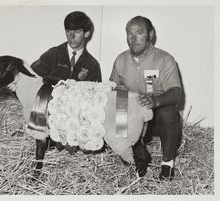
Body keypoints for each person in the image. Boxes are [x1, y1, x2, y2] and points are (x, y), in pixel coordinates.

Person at [109, 15, 182, 181]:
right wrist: (114, 92)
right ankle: (135, 153)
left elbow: (176, 92)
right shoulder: (120, 60)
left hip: (156, 116)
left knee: (169, 113)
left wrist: (155, 101)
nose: (133, 39)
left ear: (151, 34)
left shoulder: (165, 59)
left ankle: (168, 164)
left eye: (139, 33)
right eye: (129, 34)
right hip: (133, 118)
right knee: (118, 106)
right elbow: (112, 90)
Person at [31, 11, 102, 84]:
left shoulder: (92, 65)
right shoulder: (52, 54)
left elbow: (94, 93)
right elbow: (31, 77)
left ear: (86, 33)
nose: (71, 36)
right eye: (68, 31)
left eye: (77, 32)